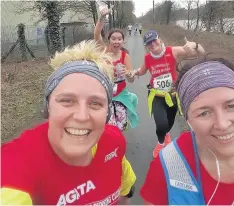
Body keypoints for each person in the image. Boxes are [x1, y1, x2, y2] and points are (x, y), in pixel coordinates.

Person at [1, 40, 136, 205]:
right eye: (67, 100)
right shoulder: (17, 165)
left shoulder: (114, 141)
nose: (81, 116)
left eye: (96, 103)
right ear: (48, 106)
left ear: (107, 113)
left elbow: (126, 192)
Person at [140, 56, 234, 205]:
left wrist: (194, 47)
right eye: (204, 113)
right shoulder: (167, 165)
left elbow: (187, 50)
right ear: (188, 120)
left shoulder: (169, 52)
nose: (222, 124)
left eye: (231, 106)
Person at [132, 29, 205, 158]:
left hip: (172, 95)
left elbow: (201, 54)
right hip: (157, 95)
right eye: (149, 43)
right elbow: (142, 71)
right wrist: (134, 72)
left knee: (170, 121)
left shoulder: (173, 51)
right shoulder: (147, 58)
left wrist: (195, 45)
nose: (152, 44)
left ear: (160, 39)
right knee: (161, 123)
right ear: (147, 46)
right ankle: (160, 142)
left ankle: (166, 134)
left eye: (154, 40)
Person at [94, 7, 139, 132]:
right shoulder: (104, 52)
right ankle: (111, 147)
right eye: (113, 38)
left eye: (119, 39)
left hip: (121, 94)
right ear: (109, 40)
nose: (116, 41)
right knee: (110, 126)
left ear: (123, 41)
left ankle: (118, 146)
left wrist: (129, 74)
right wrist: (102, 17)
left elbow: (131, 79)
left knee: (121, 126)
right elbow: (97, 34)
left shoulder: (125, 56)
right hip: (106, 94)